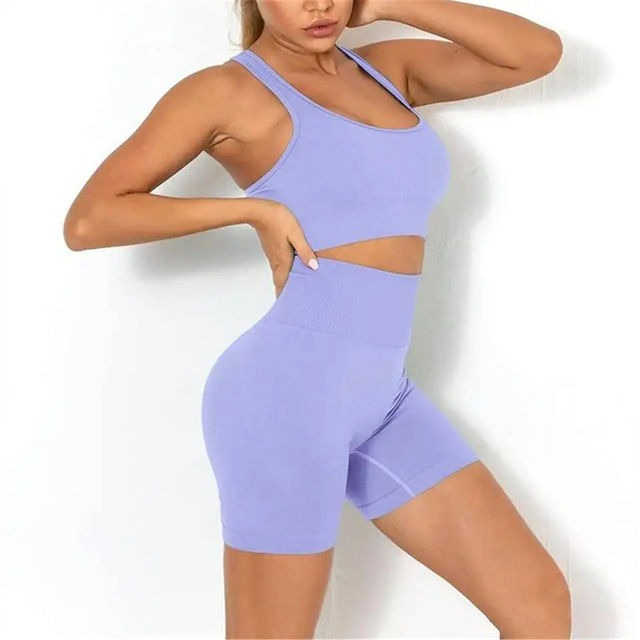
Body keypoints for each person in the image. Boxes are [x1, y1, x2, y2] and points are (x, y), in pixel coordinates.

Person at [63, 1, 570, 637]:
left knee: (539, 606)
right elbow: (90, 219)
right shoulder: (226, 92)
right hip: (285, 398)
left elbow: (536, 54)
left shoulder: (388, 71)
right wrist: (252, 211)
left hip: (385, 398)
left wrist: (389, 4)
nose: (318, 3)